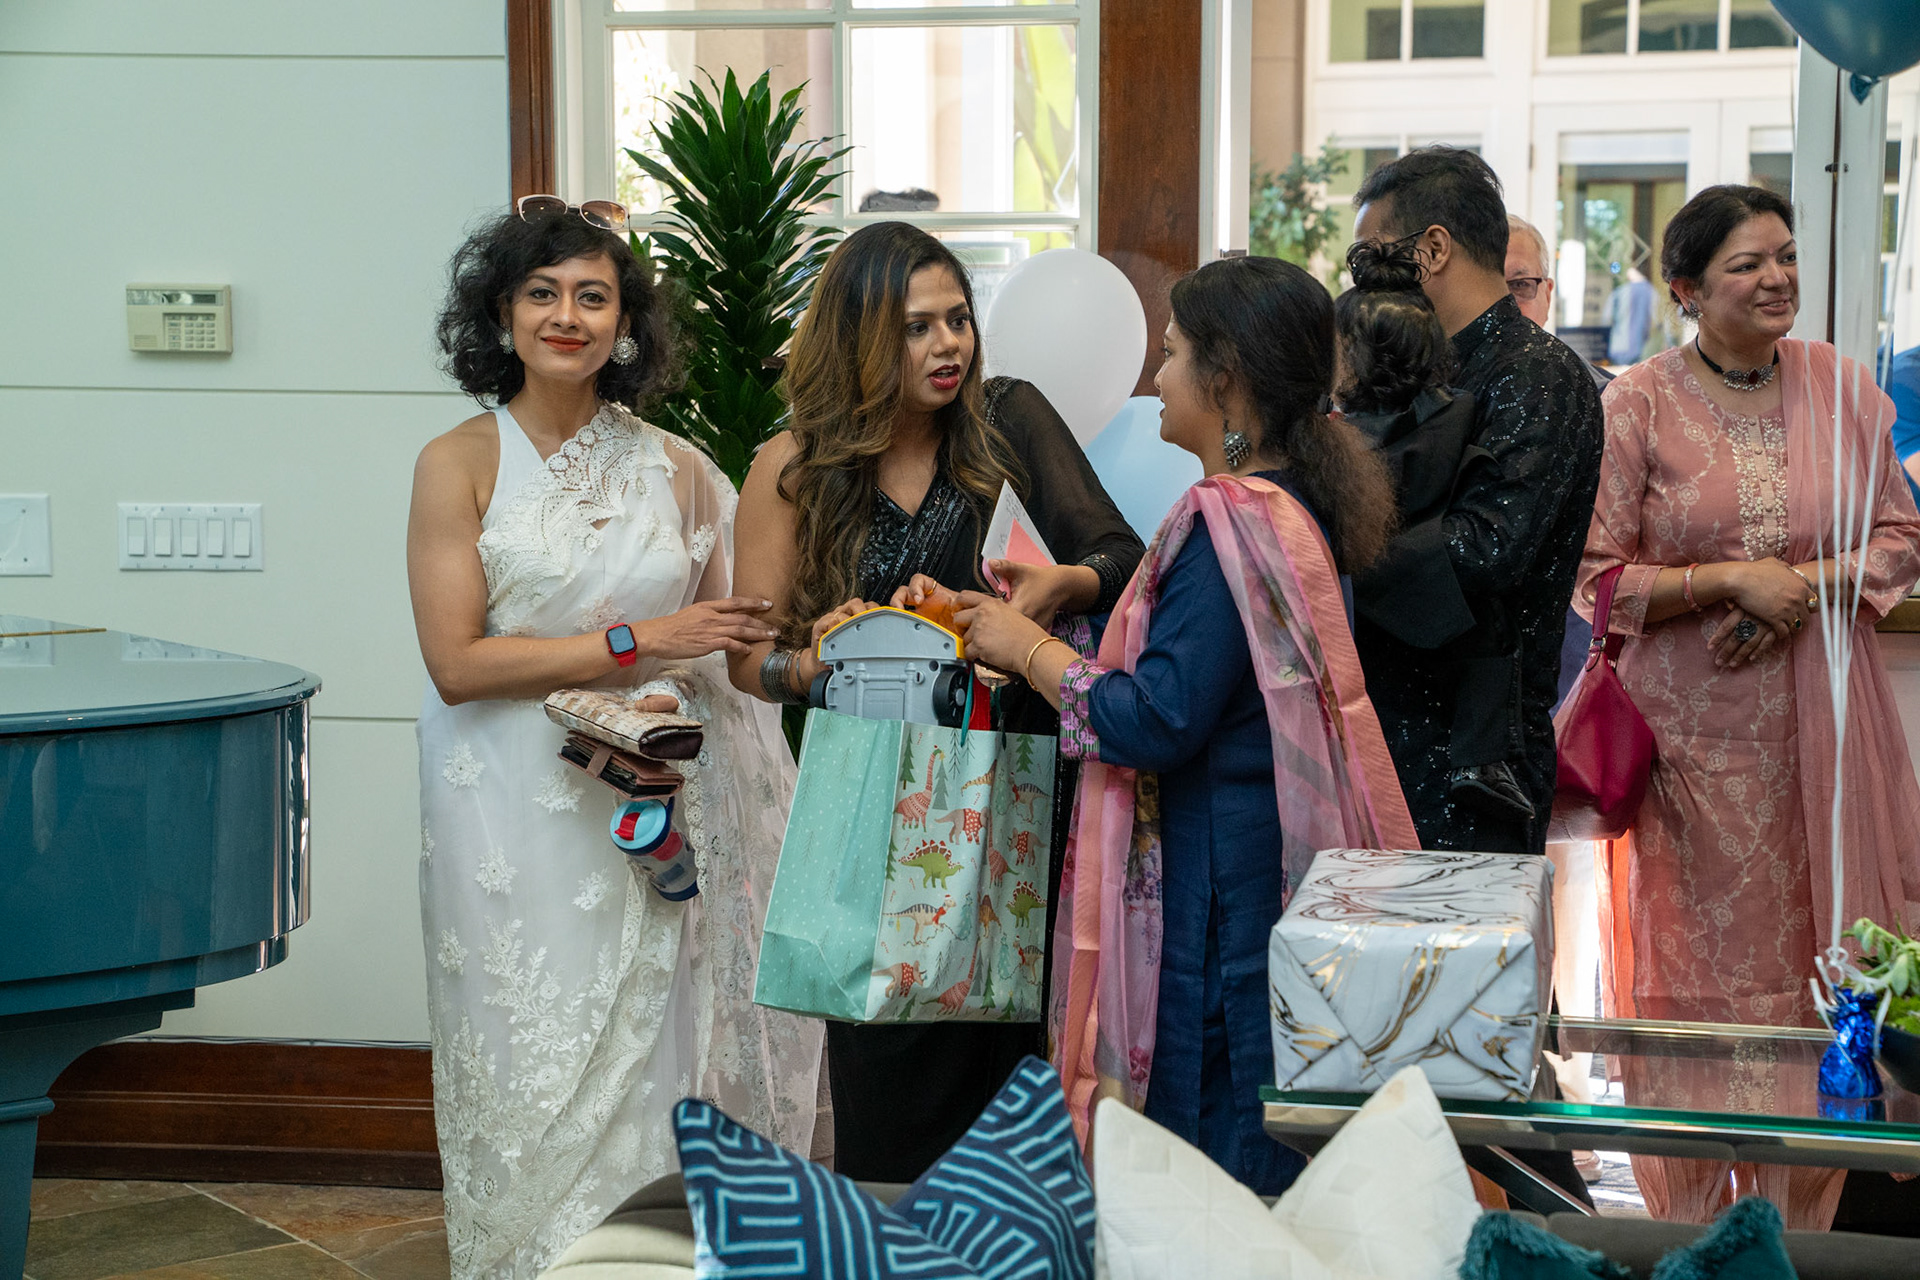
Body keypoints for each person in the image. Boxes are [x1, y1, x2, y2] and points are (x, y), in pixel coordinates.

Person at [410, 200, 821, 1276]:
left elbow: (733, 644)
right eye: (542, 294)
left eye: (593, 296)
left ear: (626, 323)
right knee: (521, 1040)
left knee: (655, 1049)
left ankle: (642, 1257)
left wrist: (823, 648)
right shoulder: (458, 462)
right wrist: (643, 640)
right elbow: (457, 663)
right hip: (502, 803)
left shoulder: (679, 467)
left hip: (648, 799)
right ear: (501, 315)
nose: (568, 316)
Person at [954, 256, 1419, 1193]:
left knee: (1216, 1160)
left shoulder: (1226, 523)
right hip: (1268, 862)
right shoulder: (1291, 504)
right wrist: (1066, 609)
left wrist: (1026, 650)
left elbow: (1159, 718)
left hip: (1219, 896)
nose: (1157, 378)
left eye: (1171, 354)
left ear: (1226, 378)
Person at [727, 220, 1144, 1182]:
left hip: (1018, 799)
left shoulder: (1009, 420)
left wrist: (1058, 587)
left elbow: (1122, 558)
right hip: (875, 819)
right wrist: (815, 663)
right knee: (887, 1085)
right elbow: (753, 660)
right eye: (916, 327)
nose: (948, 344)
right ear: (860, 337)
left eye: (958, 318)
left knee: (1013, 1080)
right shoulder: (791, 469)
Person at [1578, 184, 1920, 1228]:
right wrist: (1726, 582)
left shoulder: (1843, 389)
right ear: (1685, 288)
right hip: (1691, 758)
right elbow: (1597, 578)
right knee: (1697, 978)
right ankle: (1692, 1224)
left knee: (1818, 961)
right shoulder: (1637, 404)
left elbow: (1899, 539)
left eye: (1786, 256)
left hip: (1824, 746)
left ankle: (1802, 1222)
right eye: (1747, 264)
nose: (1778, 279)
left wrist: (1796, 587)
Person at [1349, 145, 1605, 855]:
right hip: (1392, 723)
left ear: (1432, 249)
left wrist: (1323, 552)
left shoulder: (1537, 373)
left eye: (1370, 257)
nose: (1363, 282)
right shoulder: (1420, 365)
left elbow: (1486, 548)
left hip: (1473, 754)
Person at [1337, 237, 1531, 823]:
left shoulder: (1343, 441)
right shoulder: (1459, 412)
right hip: (1442, 607)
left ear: (1354, 357)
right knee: (1489, 634)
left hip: (1384, 603)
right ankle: (1481, 761)